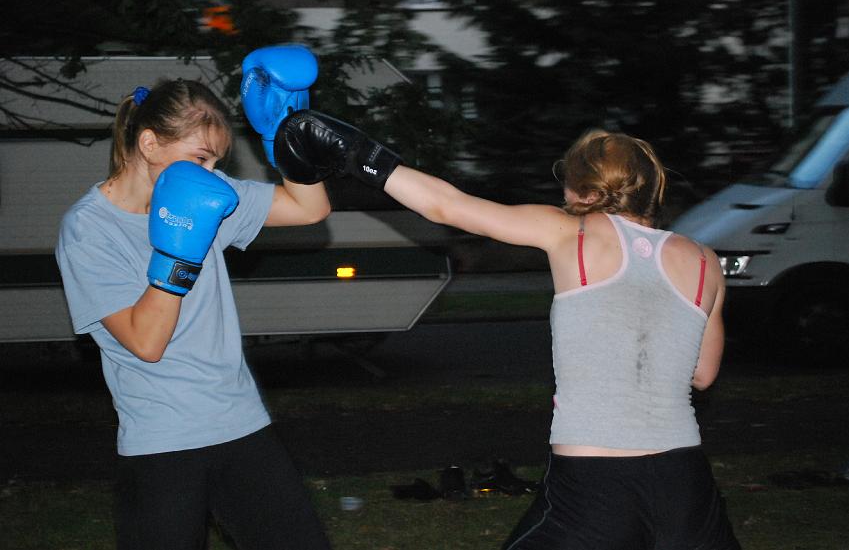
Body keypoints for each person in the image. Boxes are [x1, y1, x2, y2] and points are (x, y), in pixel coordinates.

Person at [269, 111, 741, 549]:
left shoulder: (570, 233)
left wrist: (357, 153)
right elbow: (703, 374)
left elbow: (447, 206)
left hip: (595, 483)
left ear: (585, 190)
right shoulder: (703, 260)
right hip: (685, 482)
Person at [55, 45, 333, 550]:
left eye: (215, 162)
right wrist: (177, 250)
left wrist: (285, 139)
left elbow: (309, 209)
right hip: (163, 442)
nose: (209, 172)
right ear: (149, 143)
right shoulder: (89, 229)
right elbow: (147, 342)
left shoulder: (209, 194)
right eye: (200, 158)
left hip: (242, 424)